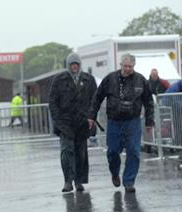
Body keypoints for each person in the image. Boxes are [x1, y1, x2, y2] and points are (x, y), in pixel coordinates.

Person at [89, 53, 154, 193]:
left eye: (130, 66)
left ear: (133, 66)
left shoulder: (141, 80)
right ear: (121, 65)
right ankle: (114, 173)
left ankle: (129, 181)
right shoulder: (110, 78)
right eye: (125, 66)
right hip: (114, 121)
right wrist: (91, 116)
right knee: (112, 151)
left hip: (133, 122)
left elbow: (149, 102)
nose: (127, 69)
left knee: (134, 152)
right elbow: (97, 97)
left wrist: (149, 122)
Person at [49, 53, 97, 192]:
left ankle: (79, 181)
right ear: (68, 65)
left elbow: (95, 101)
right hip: (65, 123)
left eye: (76, 64)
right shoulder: (59, 80)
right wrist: (57, 120)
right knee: (66, 152)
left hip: (83, 123)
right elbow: (53, 101)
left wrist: (92, 118)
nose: (74, 67)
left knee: (81, 153)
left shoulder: (89, 79)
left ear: (80, 65)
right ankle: (68, 181)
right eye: (72, 65)